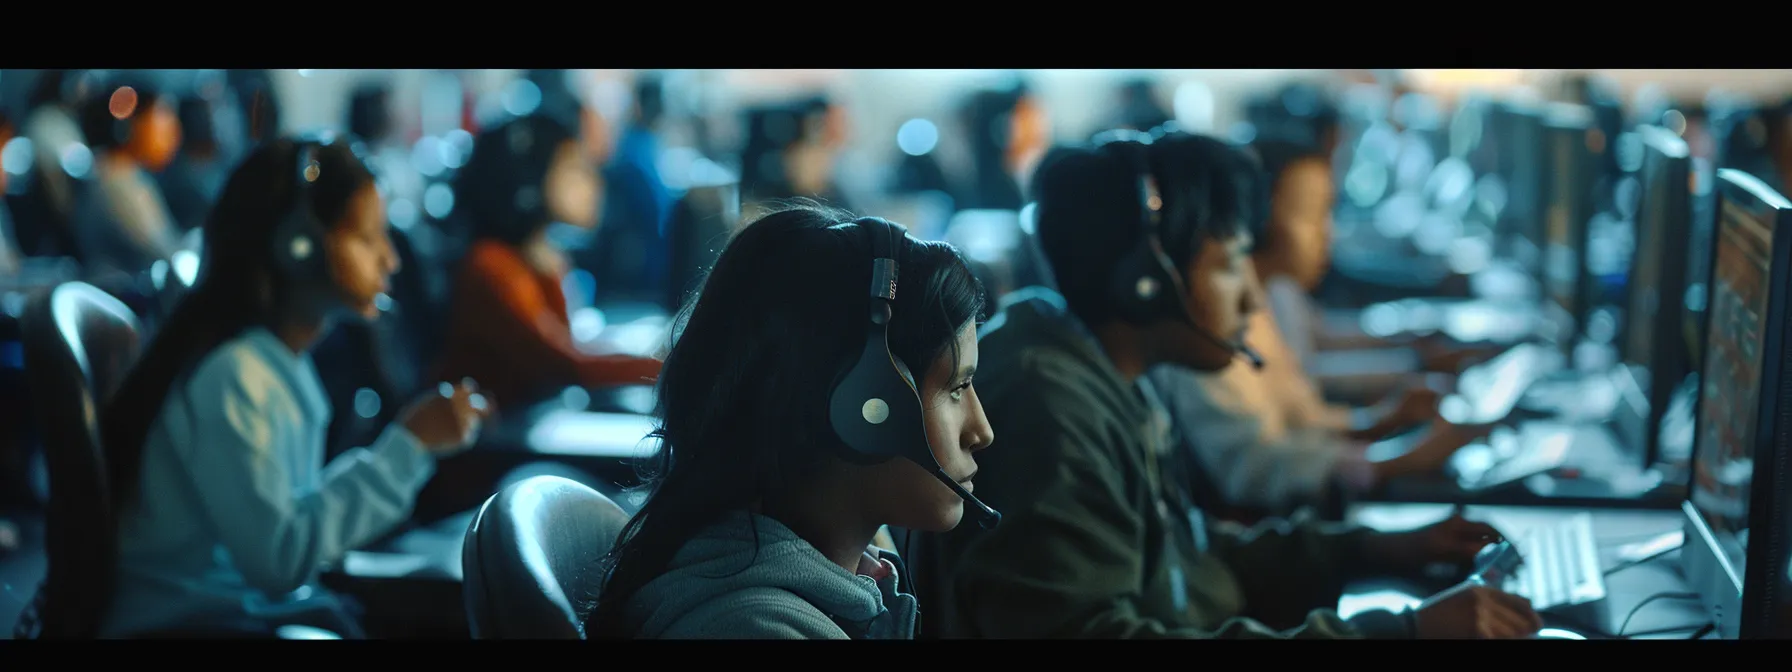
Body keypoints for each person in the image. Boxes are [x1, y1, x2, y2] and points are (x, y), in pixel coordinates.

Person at [908, 128, 1541, 640]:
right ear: (1147, 281)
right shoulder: (1049, 411)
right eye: (1232, 263)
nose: (1250, 294)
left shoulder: (1104, 372)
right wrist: (1400, 634)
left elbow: (1194, 562)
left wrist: (1373, 548)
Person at [92, 137, 492, 638]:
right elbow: (280, 558)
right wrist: (407, 447)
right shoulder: (234, 375)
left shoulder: (275, 362)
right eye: (368, 238)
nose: (389, 260)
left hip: (230, 609)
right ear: (297, 246)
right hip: (186, 625)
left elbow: (287, 528)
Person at [586, 204, 995, 639]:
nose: (981, 430)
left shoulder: (848, 581)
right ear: (867, 408)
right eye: (956, 389)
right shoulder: (753, 630)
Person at [1146, 139, 1490, 516]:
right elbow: (1253, 465)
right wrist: (1389, 458)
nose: (1328, 235)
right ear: (1262, 219)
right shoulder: (1203, 328)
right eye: (1310, 216)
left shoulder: (1252, 305)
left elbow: (1298, 416)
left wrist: (1384, 419)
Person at [432, 113, 661, 410]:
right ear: (527, 185)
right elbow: (566, 365)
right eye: (573, 169)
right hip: (490, 448)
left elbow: (567, 347)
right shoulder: (491, 265)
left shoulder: (538, 256)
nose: (592, 182)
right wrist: (666, 368)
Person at [71, 81, 184, 277]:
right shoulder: (115, 182)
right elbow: (162, 250)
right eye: (161, 116)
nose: (173, 131)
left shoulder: (126, 174)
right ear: (124, 126)